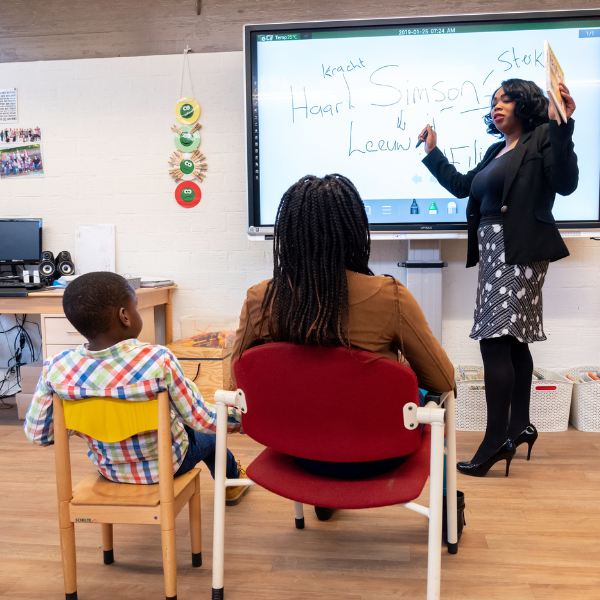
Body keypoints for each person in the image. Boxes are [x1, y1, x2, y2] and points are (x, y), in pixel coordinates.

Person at [230, 173, 455, 519]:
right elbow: (444, 381)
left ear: (287, 235)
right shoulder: (390, 297)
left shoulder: (263, 298)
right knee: (428, 402)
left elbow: (237, 382)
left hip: (297, 453)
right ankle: (448, 504)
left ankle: (325, 499)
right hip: (382, 455)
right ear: (354, 232)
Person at [419, 78, 578, 477]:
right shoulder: (496, 150)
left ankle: (494, 442)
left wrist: (562, 125)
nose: (497, 105)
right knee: (512, 340)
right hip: (496, 250)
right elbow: (462, 187)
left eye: (506, 99)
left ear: (525, 103)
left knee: (494, 342)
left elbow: (566, 182)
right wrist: (433, 152)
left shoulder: (543, 136)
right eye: (493, 101)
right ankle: (519, 424)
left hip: (518, 249)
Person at [24, 272, 250, 505]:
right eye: (136, 307)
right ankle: (232, 485)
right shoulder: (158, 360)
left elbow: (38, 435)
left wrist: (81, 424)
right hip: (166, 467)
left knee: (179, 421)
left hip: (109, 469)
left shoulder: (57, 368)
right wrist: (244, 420)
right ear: (124, 316)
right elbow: (201, 419)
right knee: (207, 436)